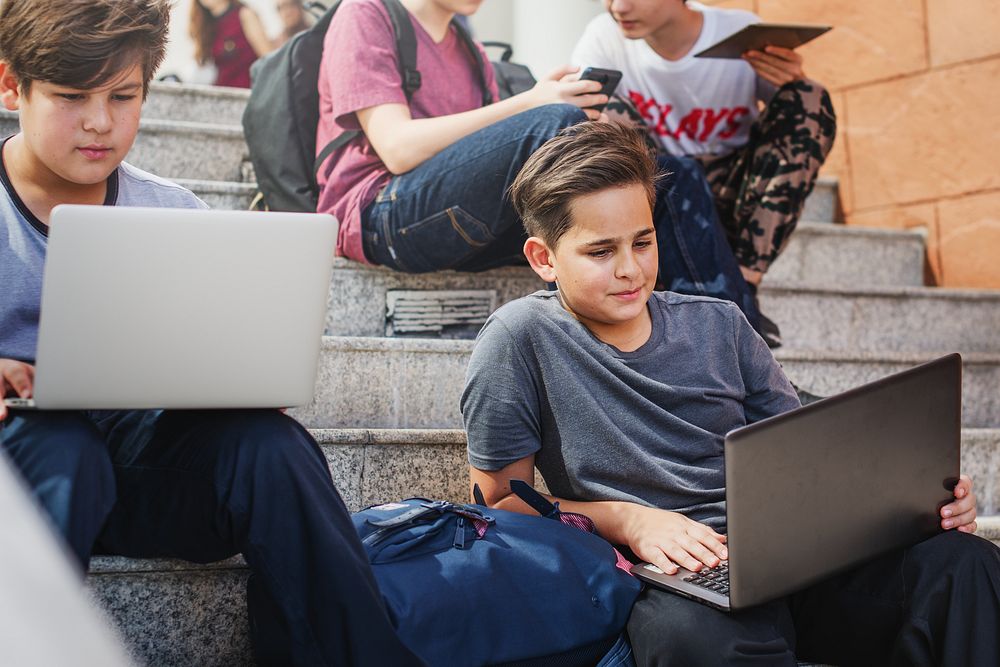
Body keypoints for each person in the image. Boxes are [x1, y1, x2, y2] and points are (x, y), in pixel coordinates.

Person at [461, 121, 1000, 666]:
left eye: (643, 242)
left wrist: (919, 501)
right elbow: (501, 505)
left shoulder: (720, 325)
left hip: (788, 558)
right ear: (543, 258)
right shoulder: (519, 338)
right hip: (670, 577)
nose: (630, 269)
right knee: (696, 643)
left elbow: (808, 457)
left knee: (965, 565)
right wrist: (629, 520)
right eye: (601, 251)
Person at [0, 2, 421, 664]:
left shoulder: (177, 215)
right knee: (64, 446)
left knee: (270, 445)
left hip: (142, 472)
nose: (100, 122)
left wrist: (240, 377)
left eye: (123, 95)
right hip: (27, 480)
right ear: (10, 85)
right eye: (71, 96)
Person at [571, 0, 837, 347]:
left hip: (732, 195)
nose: (619, 6)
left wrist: (792, 79)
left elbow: (800, 123)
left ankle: (744, 281)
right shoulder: (604, 37)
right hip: (657, 191)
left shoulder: (737, 32)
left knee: (809, 97)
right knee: (596, 105)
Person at [189, 0, 272, 88]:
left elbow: (270, 59)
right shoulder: (205, 25)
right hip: (222, 95)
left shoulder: (245, 15)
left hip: (248, 92)